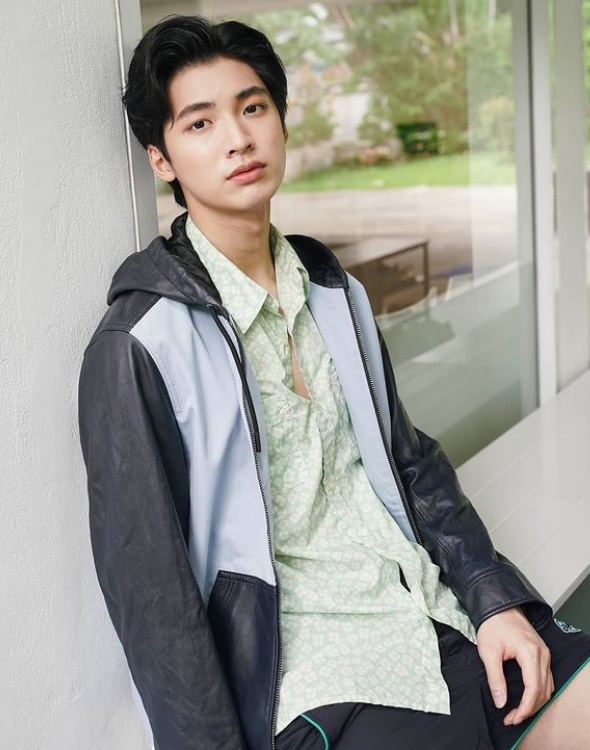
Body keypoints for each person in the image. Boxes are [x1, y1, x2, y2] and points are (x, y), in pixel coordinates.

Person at [77, 14, 590, 750]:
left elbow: (411, 463)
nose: (238, 138)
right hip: (313, 675)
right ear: (161, 158)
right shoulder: (138, 345)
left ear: (281, 122)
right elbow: (152, 599)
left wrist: (492, 600)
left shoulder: (333, 290)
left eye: (253, 107)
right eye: (201, 123)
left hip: (428, 608)